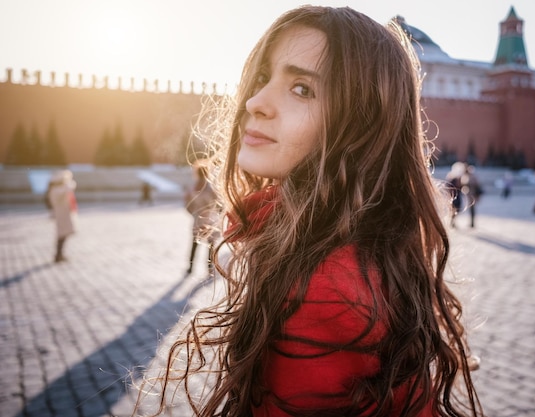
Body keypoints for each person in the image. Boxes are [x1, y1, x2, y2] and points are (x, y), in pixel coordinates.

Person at [136, 6, 482, 417]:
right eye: (264, 77)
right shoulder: (351, 244)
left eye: (302, 88)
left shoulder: (324, 288)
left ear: (360, 123)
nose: (255, 101)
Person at [184, 161, 220, 275]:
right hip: (209, 219)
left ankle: (190, 267)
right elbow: (218, 203)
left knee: (195, 245)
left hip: (197, 220)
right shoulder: (210, 187)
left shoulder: (193, 187)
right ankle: (209, 267)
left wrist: (194, 214)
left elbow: (187, 205)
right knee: (210, 246)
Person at [47, 170, 77, 262]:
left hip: (64, 214)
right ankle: (58, 255)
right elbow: (70, 186)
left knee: (64, 234)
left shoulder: (57, 189)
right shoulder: (56, 190)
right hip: (61, 215)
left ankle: (60, 254)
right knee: (61, 235)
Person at [445, 161, 465, 228]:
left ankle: (453, 222)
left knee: (456, 209)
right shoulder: (452, 178)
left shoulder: (458, 178)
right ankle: (452, 222)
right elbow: (449, 186)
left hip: (456, 196)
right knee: (453, 209)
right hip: (453, 196)